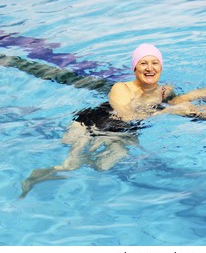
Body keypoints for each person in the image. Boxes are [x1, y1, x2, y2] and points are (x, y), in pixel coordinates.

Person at [20, 43, 175, 198]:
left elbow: (182, 103)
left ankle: (83, 163)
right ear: (135, 68)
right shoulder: (121, 87)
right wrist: (167, 111)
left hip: (122, 131)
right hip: (92, 122)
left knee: (103, 166)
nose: (150, 68)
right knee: (71, 165)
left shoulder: (165, 90)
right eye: (143, 63)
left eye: (155, 63)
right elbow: (126, 115)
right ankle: (36, 177)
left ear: (161, 66)